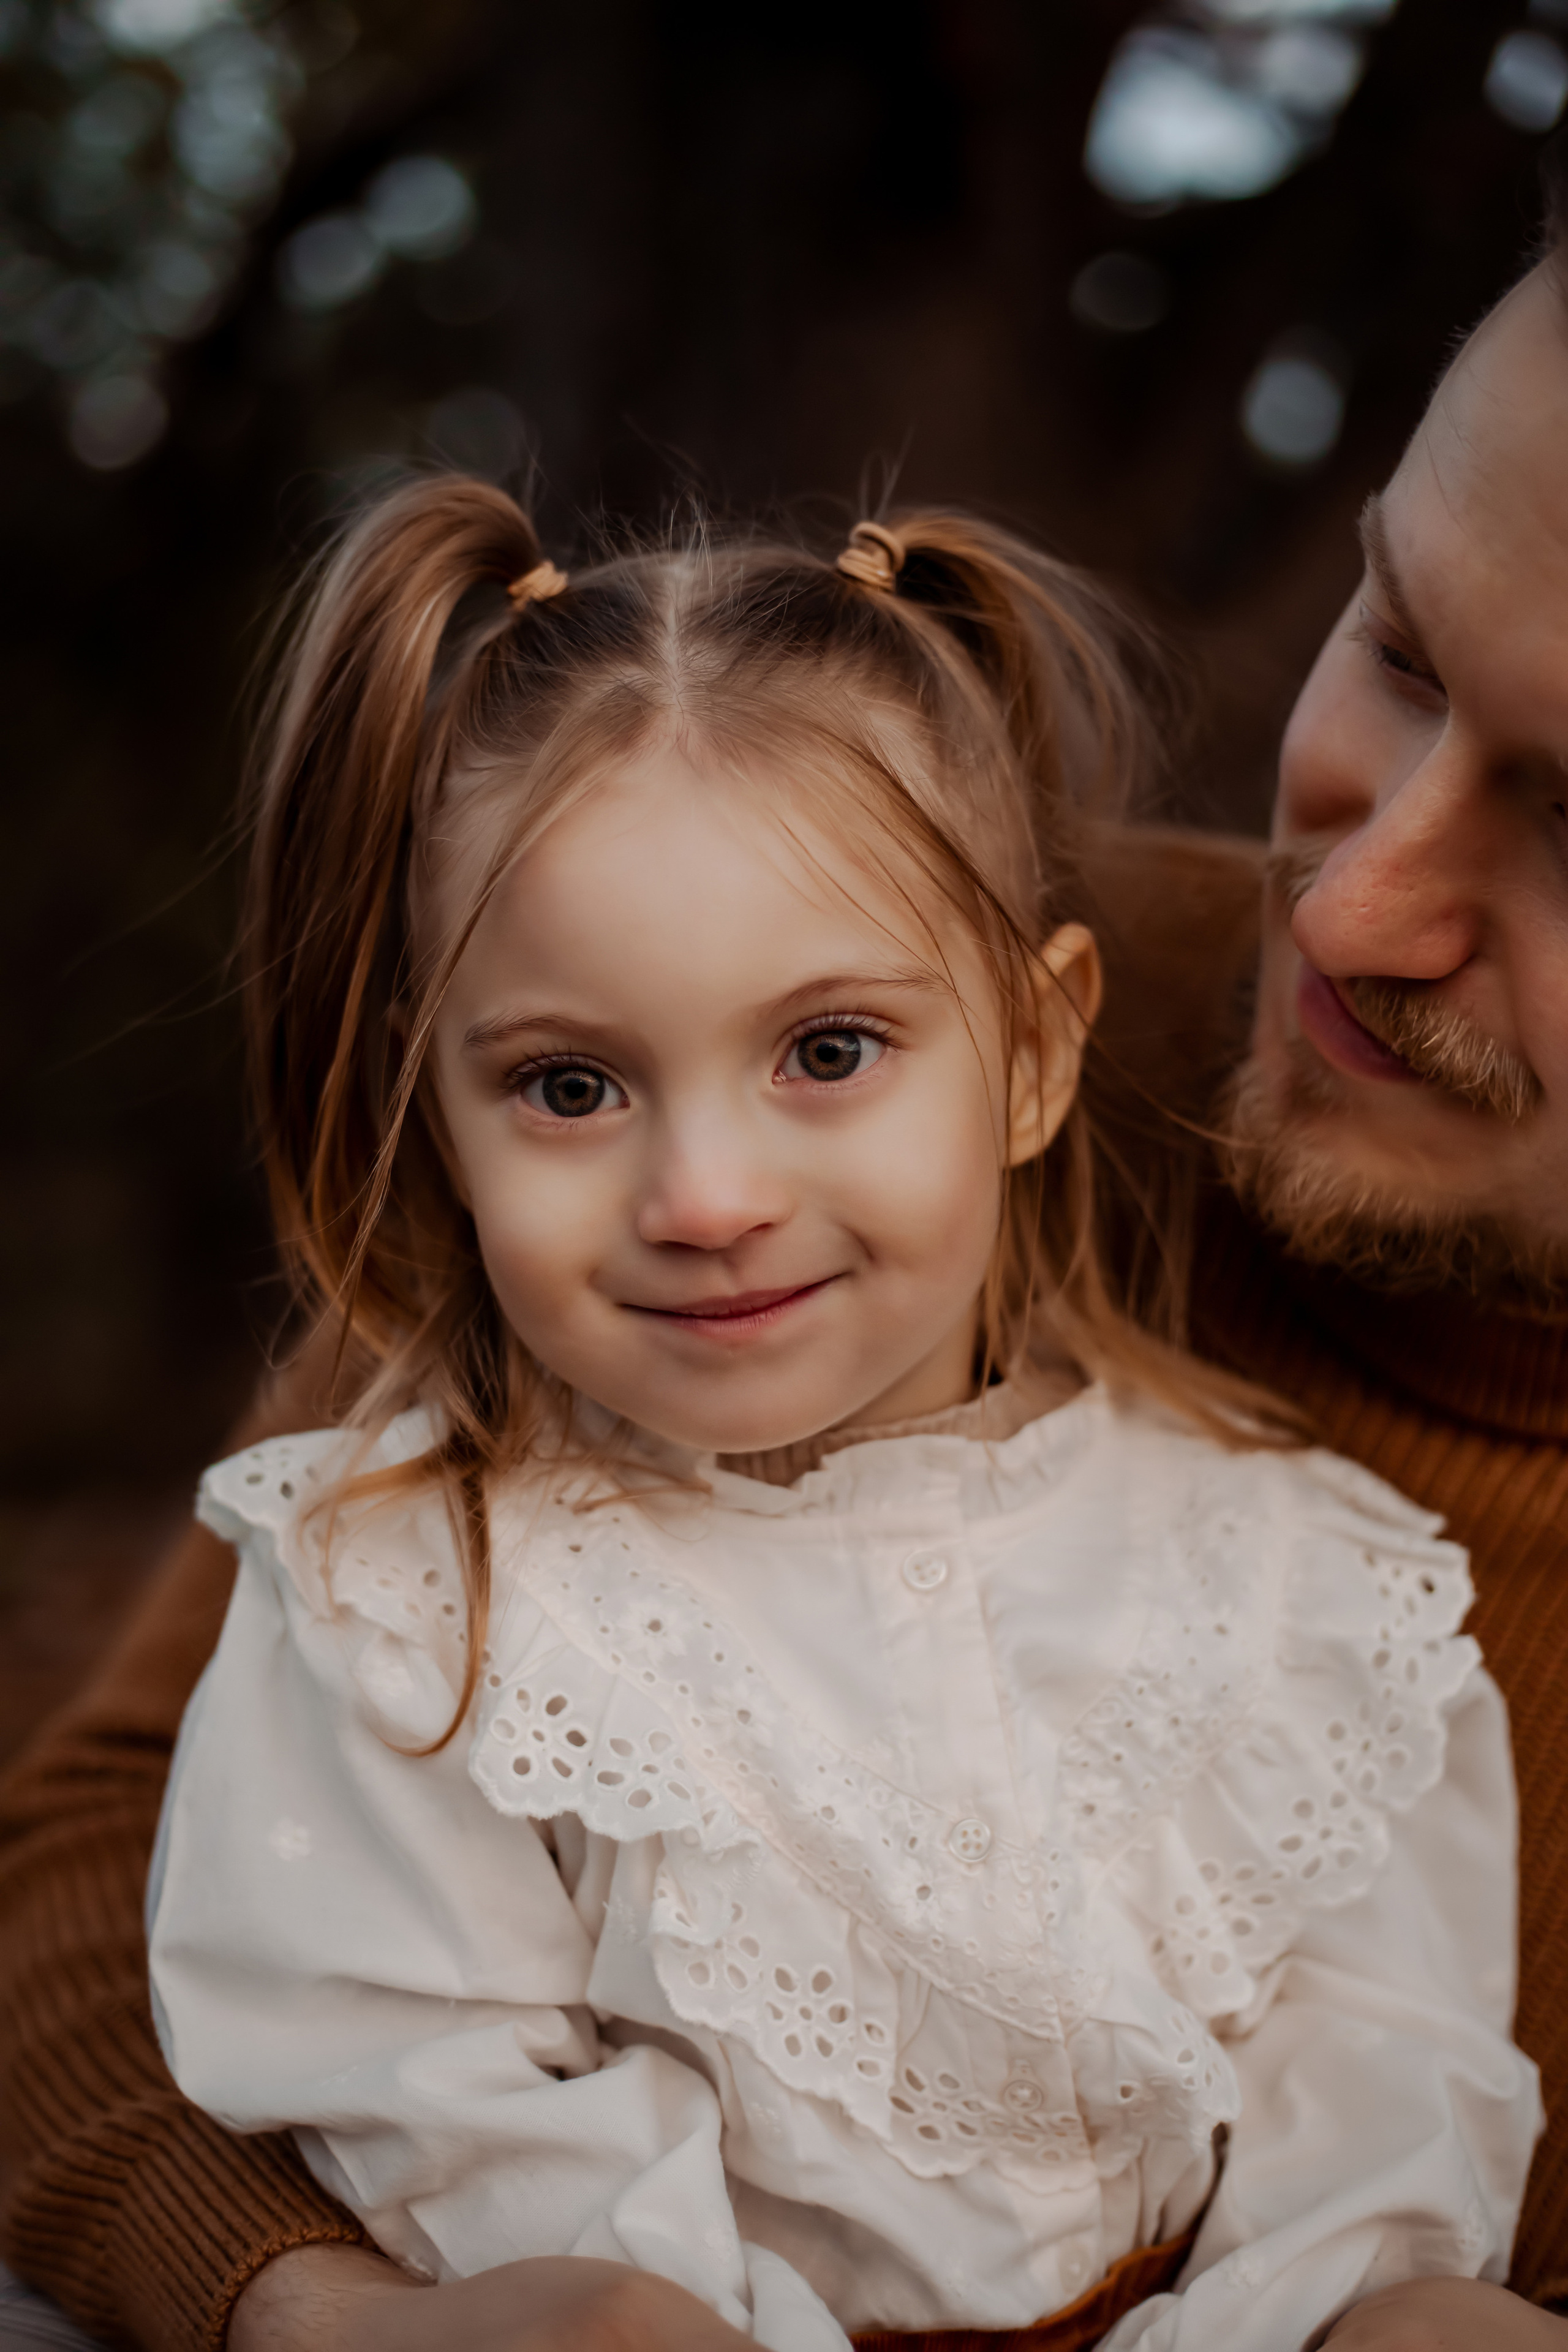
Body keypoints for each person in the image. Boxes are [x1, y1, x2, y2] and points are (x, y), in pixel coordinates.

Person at [12, 184, 1568, 2352]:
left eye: (828, 1054)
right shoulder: (421, 1579)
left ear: (1035, 1046)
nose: (708, 1194)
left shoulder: (1302, 1585)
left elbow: (1376, 2071)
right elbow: (366, 2048)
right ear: (430, 1106)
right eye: (1395, 642)